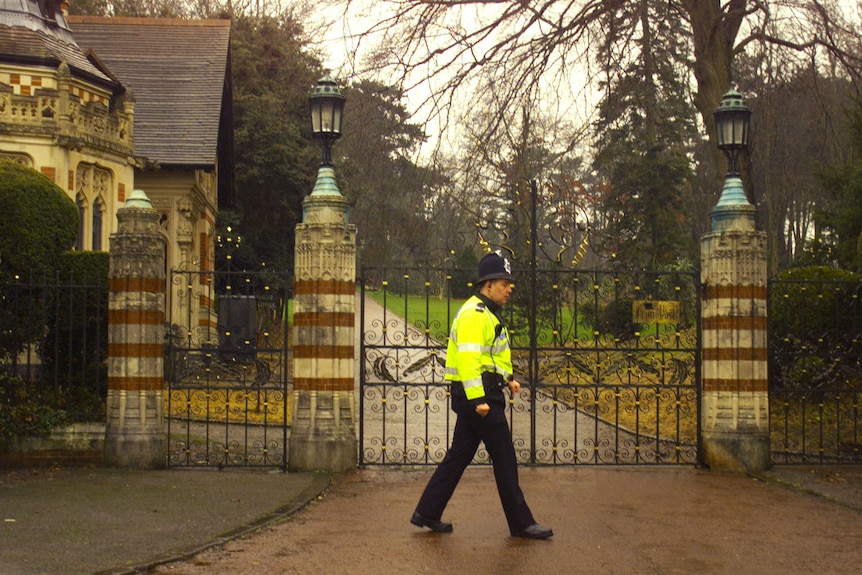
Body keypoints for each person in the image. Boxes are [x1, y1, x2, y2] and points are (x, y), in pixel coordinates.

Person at [410, 251, 553, 539]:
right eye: (504, 283)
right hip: (479, 398)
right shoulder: (475, 315)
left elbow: (491, 356)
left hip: (481, 395)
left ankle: (427, 512)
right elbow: (469, 360)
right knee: (505, 458)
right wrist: (478, 401)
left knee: (459, 456)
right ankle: (521, 523)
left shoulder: (485, 313)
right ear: (488, 285)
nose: (509, 288)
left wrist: (508, 378)